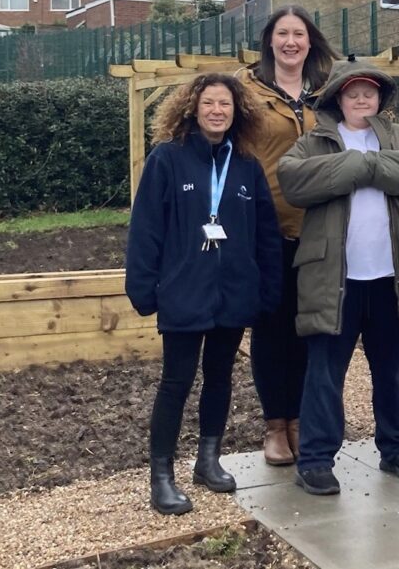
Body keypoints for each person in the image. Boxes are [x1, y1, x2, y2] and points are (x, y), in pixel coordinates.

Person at [277, 55, 399, 495]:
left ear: (381, 97)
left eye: (369, 91)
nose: (361, 98)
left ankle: (396, 450)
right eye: (352, 91)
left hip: (394, 278)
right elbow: (293, 182)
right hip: (333, 279)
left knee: (391, 371)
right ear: (337, 97)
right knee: (324, 373)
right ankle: (315, 460)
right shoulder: (315, 141)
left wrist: (370, 166)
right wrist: (363, 166)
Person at [126, 73, 282, 515]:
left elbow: (266, 235)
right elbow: (146, 229)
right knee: (176, 381)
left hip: (233, 295)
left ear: (238, 113)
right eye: (210, 103)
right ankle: (162, 477)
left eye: (226, 105)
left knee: (219, 378)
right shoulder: (167, 160)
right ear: (192, 108)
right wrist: (143, 288)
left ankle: (208, 461)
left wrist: (265, 289)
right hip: (184, 293)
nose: (218, 111)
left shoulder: (247, 165)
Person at [237, 5, 338, 467]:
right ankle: (275, 425)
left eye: (299, 34)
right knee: (271, 330)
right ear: (270, 41)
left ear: (310, 42)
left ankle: (300, 420)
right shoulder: (247, 91)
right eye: (283, 34)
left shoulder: (327, 93)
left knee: (309, 329)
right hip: (267, 228)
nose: (291, 42)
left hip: (319, 228)